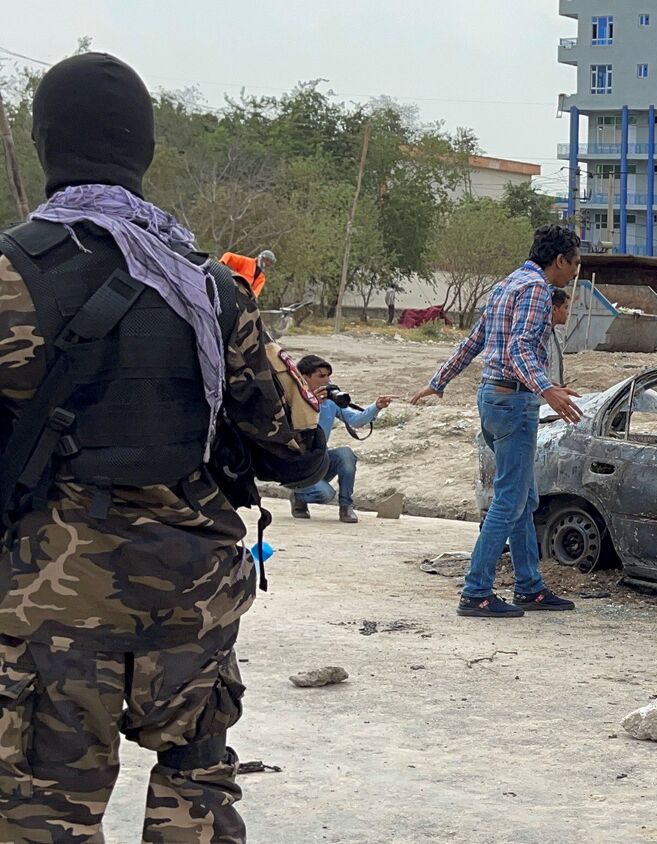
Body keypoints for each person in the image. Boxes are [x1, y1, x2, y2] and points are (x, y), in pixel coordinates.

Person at [0, 53, 317, 842]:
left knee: (42, 809)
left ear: (45, 145)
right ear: (141, 152)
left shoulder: (9, 276)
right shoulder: (212, 289)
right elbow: (295, 451)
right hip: (190, 607)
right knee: (197, 788)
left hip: (51, 605)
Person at [410, 224, 584, 618]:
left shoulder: (507, 284)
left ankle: (529, 586)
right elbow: (521, 348)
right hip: (515, 403)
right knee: (509, 500)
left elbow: (475, 340)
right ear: (559, 260)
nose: (573, 274)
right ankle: (476, 591)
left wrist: (438, 382)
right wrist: (548, 390)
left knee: (523, 497)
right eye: (573, 265)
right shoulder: (538, 289)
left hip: (493, 399)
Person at [290, 354, 393, 523]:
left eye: (328, 375)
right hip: (297, 465)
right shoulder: (293, 398)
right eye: (321, 376)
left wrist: (376, 407)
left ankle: (346, 506)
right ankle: (298, 495)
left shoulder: (330, 401)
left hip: (319, 460)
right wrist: (312, 404)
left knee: (345, 454)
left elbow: (355, 420)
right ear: (304, 377)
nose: (327, 380)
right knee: (325, 494)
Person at [547, 287, 572, 389]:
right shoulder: (539, 337)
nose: (568, 312)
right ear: (555, 309)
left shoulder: (557, 335)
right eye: (565, 308)